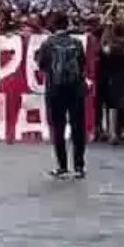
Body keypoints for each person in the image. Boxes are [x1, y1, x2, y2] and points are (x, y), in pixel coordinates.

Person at [35, 11, 87, 180]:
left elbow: (42, 66)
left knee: (58, 128)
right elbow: (82, 64)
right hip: (76, 90)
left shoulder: (47, 44)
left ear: (53, 25)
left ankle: (62, 167)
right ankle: (79, 166)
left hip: (55, 90)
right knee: (78, 127)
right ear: (67, 25)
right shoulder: (77, 43)